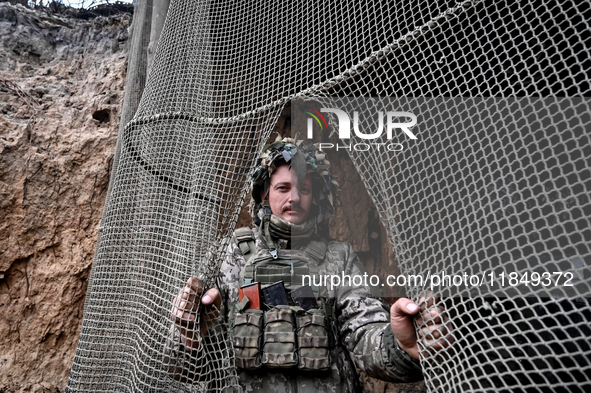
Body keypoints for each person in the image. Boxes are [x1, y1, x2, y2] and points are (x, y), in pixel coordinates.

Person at [165, 137, 452, 392]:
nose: (294, 198)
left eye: (304, 188)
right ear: (264, 194)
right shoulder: (230, 255)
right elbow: (186, 367)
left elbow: (365, 335)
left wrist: (402, 346)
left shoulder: (338, 257)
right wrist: (188, 336)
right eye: (283, 187)